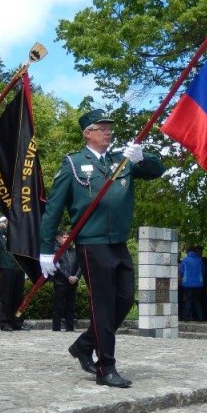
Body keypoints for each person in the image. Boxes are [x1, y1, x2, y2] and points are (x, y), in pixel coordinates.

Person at [39, 108, 164, 388]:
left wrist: (143, 157)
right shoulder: (73, 163)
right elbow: (53, 209)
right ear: (88, 133)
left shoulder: (122, 160)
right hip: (92, 242)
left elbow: (157, 171)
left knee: (125, 298)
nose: (108, 132)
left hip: (118, 242)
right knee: (103, 306)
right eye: (102, 128)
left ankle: (84, 345)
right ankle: (105, 367)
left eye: (109, 127)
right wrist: (46, 248)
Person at [0, 217, 27, 331]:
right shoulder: (0, 233)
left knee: (18, 298)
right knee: (6, 297)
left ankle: (18, 322)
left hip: (20, 268)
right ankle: (5, 323)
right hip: (7, 267)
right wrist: (0, 219)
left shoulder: (22, 235)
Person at [51, 230, 80, 332]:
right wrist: (68, 277)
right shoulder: (56, 250)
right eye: (65, 237)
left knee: (70, 306)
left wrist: (76, 276)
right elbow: (57, 266)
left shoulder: (75, 251)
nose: (67, 239)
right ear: (59, 239)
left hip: (73, 282)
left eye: (69, 237)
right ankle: (56, 328)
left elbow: (81, 265)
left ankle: (70, 328)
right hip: (61, 282)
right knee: (58, 306)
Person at [178, 245, 206, 321]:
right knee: (196, 300)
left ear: (188, 251)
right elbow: (203, 271)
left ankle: (186, 317)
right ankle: (200, 317)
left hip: (187, 284)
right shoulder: (200, 260)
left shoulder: (184, 260)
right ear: (195, 251)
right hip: (198, 284)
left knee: (188, 300)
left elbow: (181, 272)